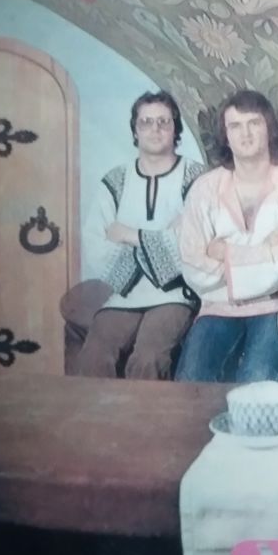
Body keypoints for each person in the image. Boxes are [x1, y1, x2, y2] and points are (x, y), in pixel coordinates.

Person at [174, 90, 278, 383]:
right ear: (225, 135)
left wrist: (226, 253)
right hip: (217, 308)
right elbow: (192, 263)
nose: (245, 134)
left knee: (258, 377)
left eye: (254, 123)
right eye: (235, 126)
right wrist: (265, 252)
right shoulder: (205, 188)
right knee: (190, 380)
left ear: (269, 127)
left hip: (276, 306)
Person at [77, 91, 203, 379]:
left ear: (175, 128)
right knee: (93, 357)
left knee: (148, 359)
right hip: (123, 295)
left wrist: (129, 234)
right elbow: (95, 243)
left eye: (163, 121)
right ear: (135, 130)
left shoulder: (196, 178)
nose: (155, 129)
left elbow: (192, 242)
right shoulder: (115, 181)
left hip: (175, 295)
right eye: (146, 122)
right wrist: (162, 238)